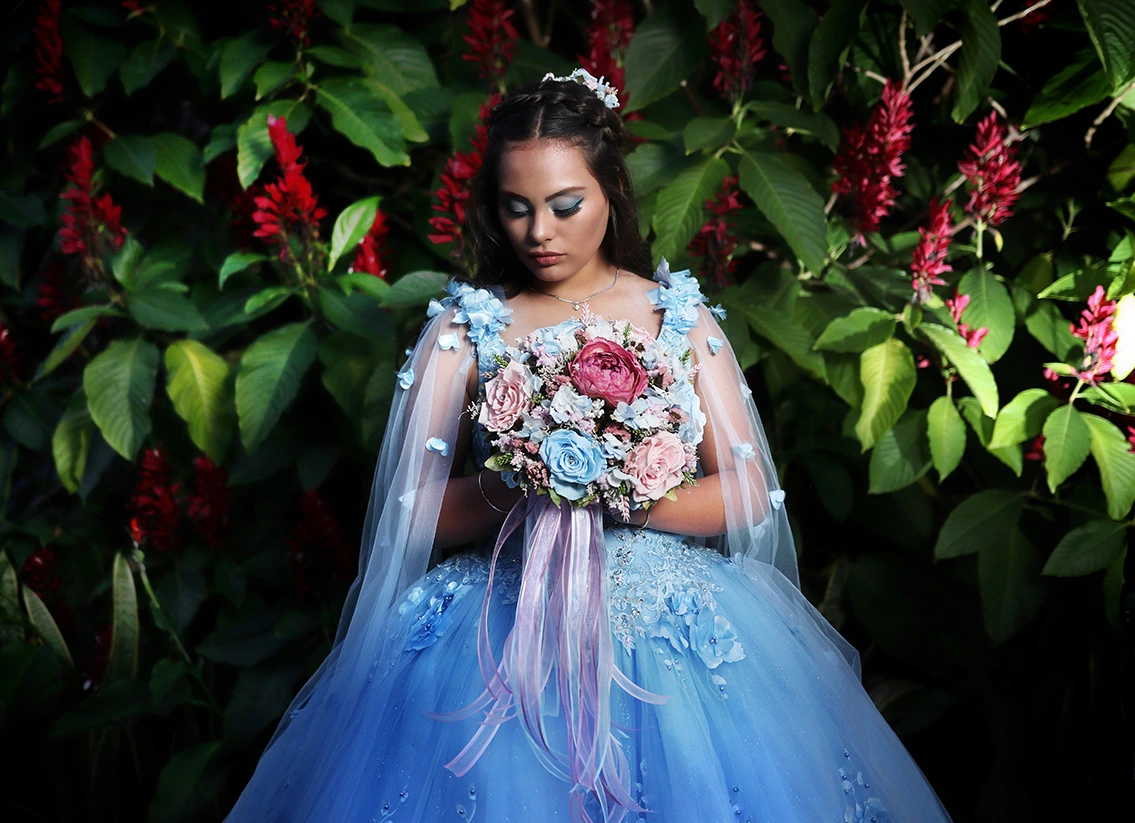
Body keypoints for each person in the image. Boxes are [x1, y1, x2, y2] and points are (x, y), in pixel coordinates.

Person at [222, 69, 954, 823]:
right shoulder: (465, 327)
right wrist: (521, 478)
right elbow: (413, 512)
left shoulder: (676, 316)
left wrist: (624, 489)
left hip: (667, 632)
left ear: (610, 191)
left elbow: (743, 492)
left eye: (565, 205)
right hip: (493, 636)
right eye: (515, 208)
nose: (539, 232)